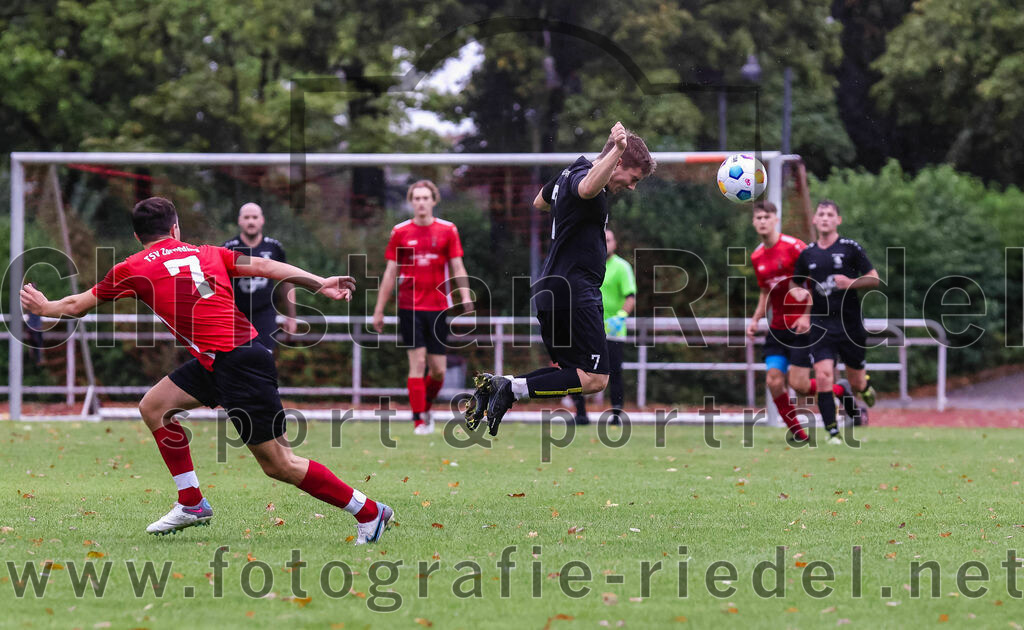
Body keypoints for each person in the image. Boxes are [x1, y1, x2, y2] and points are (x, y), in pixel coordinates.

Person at [20, 197, 393, 544]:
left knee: (280, 464)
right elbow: (264, 266)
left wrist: (44, 307)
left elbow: (74, 305)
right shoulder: (210, 253)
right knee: (155, 407)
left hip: (238, 362)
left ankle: (370, 512)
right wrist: (318, 282)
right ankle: (191, 502)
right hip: (225, 359)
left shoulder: (131, 268)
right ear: (176, 228)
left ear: (137, 236)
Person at [465, 122, 656, 435]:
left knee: (574, 373)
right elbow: (586, 189)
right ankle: (510, 389)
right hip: (576, 291)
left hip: (552, 289)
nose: (632, 186)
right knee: (596, 378)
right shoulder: (586, 180)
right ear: (617, 162)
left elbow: (540, 201)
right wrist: (618, 149)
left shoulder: (572, 170)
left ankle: (505, 386)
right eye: (633, 178)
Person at [372, 180, 473, 435]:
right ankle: (418, 420)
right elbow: (390, 272)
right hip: (409, 307)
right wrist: (379, 309)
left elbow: (458, 266)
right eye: (416, 198)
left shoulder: (448, 230)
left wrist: (465, 296)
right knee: (417, 362)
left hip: (438, 307)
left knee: (438, 370)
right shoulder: (400, 232)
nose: (420, 202)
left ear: (434, 201)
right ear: (411, 201)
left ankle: (425, 407)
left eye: (425, 198)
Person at [792, 199, 880, 444]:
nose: (825, 218)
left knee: (856, 381)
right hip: (821, 325)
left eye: (830, 214)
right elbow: (795, 283)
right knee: (822, 375)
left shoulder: (850, 248)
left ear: (838, 220)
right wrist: (799, 298)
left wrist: (850, 283)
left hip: (850, 325)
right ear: (815, 219)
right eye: (821, 213)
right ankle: (832, 432)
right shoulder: (808, 254)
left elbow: (874, 278)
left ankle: (864, 387)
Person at [746, 201, 818, 442]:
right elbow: (766, 292)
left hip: (801, 327)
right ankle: (798, 433)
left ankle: (838, 390)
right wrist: (755, 319)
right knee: (773, 381)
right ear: (754, 222)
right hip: (777, 328)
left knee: (800, 385)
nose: (763, 221)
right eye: (759, 218)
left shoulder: (795, 247)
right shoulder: (757, 256)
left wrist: (807, 315)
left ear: (776, 219)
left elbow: (815, 283)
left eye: (767, 217)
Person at [570, 228, 635, 426]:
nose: (606, 243)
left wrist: (621, 316)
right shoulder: (587, 265)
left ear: (615, 243)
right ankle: (581, 414)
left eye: (609, 239)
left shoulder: (622, 267)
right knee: (578, 370)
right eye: (603, 239)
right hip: (587, 329)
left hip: (613, 331)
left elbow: (630, 296)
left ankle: (616, 416)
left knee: (614, 373)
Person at [223, 203, 297, 348]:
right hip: (236, 314)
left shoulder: (274, 247)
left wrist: (292, 317)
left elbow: (287, 280)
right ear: (239, 221)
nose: (251, 221)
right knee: (237, 361)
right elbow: (214, 280)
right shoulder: (228, 248)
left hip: (265, 312)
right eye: (247, 217)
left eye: (255, 217)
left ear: (262, 220)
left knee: (265, 357)